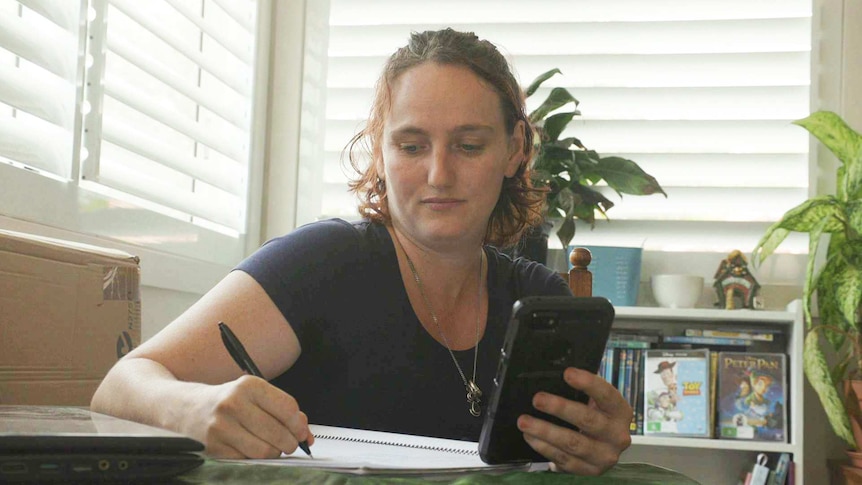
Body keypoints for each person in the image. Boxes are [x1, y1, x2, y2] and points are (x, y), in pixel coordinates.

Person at [91, 28, 632, 475]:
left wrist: (593, 446)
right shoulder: (322, 264)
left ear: (515, 150)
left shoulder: (538, 298)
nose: (439, 174)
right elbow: (119, 387)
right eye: (411, 145)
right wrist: (194, 406)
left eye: (469, 146)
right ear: (380, 149)